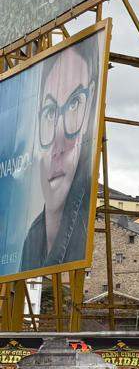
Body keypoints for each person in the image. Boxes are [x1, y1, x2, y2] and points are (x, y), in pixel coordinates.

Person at [19, 35, 97, 275]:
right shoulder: (31, 241)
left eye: (74, 104)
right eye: (50, 112)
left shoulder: (84, 230)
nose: (58, 143)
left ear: (90, 103)